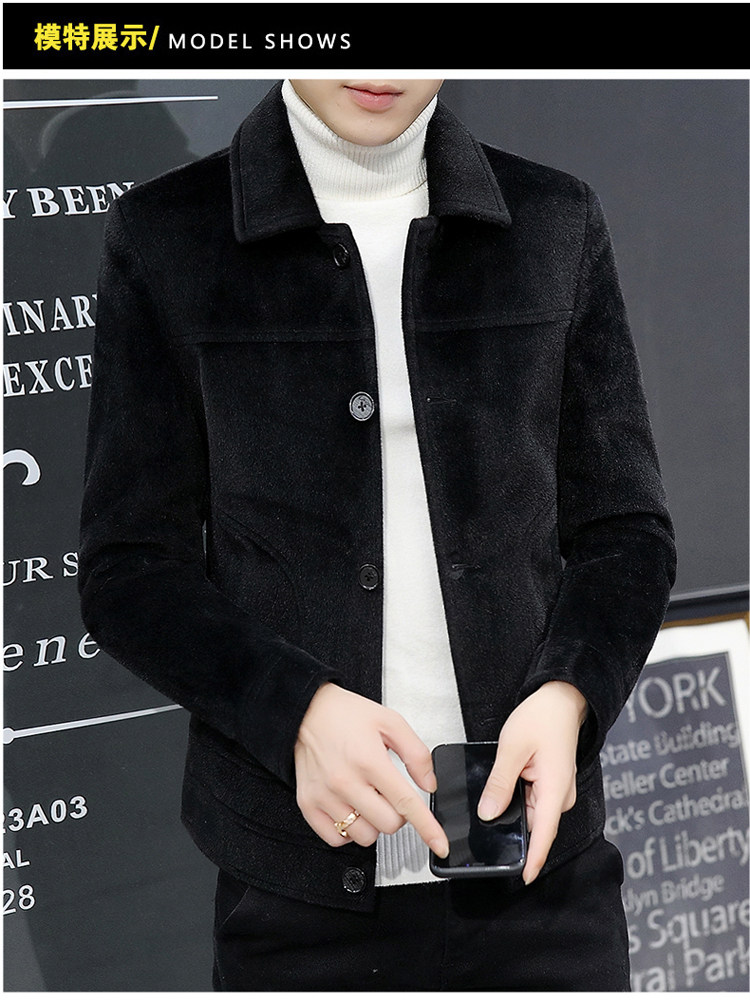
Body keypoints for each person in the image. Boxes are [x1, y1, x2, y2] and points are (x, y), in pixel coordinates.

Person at [79, 79, 676, 991]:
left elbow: (626, 529)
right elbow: (129, 569)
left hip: (542, 880)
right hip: (296, 895)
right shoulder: (168, 234)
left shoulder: (554, 221)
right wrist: (294, 711)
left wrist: (570, 696)